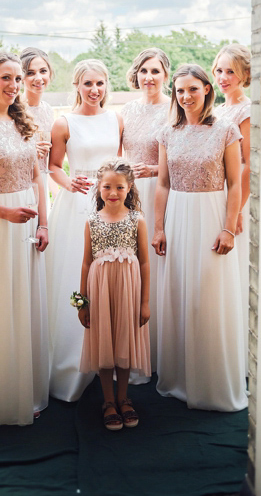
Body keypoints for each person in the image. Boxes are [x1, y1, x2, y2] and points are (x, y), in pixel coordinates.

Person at [153, 64, 246, 411]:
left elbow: (235, 183)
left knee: (206, 297)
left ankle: (213, 385)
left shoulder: (225, 130)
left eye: (192, 89)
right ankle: (179, 380)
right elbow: (162, 183)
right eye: (179, 91)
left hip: (210, 216)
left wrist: (228, 226)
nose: (185, 96)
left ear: (207, 89)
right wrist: (159, 227)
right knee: (179, 294)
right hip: (177, 216)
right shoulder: (168, 133)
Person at [0, 51, 50, 429]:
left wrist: (44, 225)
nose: (15, 86)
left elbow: (38, 176)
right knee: (1, 303)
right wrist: (6, 213)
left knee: (27, 301)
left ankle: (30, 389)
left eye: (18, 79)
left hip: (29, 221)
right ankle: (4, 397)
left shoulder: (23, 122)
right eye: (6, 77)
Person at [46, 59, 123, 402]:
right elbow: (52, 167)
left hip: (111, 205)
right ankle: (72, 361)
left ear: (107, 86)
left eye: (100, 84)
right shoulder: (63, 122)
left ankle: (111, 358)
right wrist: (69, 182)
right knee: (76, 276)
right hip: (77, 205)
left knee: (110, 278)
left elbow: (121, 167)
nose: (94, 90)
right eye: (88, 83)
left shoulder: (116, 119)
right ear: (76, 85)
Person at [76, 159, 151, 430]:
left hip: (128, 288)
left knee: (124, 342)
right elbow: (85, 263)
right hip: (100, 289)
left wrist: (144, 302)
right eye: (107, 187)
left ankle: (124, 397)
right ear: (99, 188)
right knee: (105, 343)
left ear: (129, 188)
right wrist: (81, 302)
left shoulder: (136, 219)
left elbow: (144, 262)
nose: (113, 193)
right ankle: (108, 401)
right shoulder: (92, 221)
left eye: (119, 187)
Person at [120, 47, 171, 381]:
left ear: (167, 74)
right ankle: (134, 352)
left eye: (155, 71)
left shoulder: (176, 108)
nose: (149, 78)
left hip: (162, 194)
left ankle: (164, 351)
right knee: (133, 270)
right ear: (135, 75)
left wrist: (154, 169)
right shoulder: (126, 110)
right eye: (143, 71)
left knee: (162, 271)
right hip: (129, 199)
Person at [211, 44, 252, 374]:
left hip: (234, 198)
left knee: (235, 273)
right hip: (213, 194)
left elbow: (248, 164)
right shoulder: (218, 110)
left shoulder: (245, 111)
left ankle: (237, 351)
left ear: (244, 76)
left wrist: (236, 211)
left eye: (231, 72)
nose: (223, 77)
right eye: (220, 70)